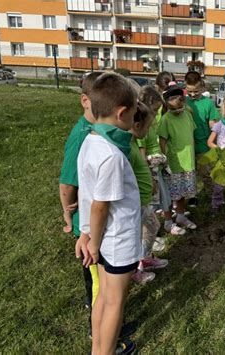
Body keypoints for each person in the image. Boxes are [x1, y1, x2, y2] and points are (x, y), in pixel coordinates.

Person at [77, 73, 140, 354]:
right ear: (122, 113)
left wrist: (86, 232)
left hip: (101, 237)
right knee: (115, 301)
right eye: (135, 112)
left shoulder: (91, 140)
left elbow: (86, 194)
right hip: (118, 240)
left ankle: (98, 350)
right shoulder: (112, 156)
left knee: (102, 295)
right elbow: (100, 204)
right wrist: (92, 240)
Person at [59, 71, 102, 332]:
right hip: (85, 224)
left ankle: (108, 322)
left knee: (101, 280)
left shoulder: (98, 129)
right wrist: (67, 213)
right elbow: (67, 182)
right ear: (85, 100)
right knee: (95, 282)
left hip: (96, 221)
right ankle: (98, 331)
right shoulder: (82, 135)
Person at [137, 86, 185, 240]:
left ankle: (166, 223)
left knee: (165, 197)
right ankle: (150, 235)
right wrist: (150, 177)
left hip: (158, 168)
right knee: (151, 205)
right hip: (150, 173)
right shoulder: (140, 128)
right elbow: (142, 156)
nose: (156, 114)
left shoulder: (150, 124)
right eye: (155, 110)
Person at [129, 101, 168, 284]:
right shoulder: (127, 147)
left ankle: (145, 258)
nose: (149, 130)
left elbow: (141, 165)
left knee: (152, 226)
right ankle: (135, 269)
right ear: (137, 125)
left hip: (143, 199)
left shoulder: (131, 142)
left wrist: (151, 179)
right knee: (136, 234)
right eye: (148, 126)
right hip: (134, 202)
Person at [158, 86, 197, 231]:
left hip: (188, 161)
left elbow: (190, 134)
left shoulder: (187, 115)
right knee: (170, 193)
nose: (178, 111)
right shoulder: (165, 119)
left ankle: (180, 215)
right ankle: (168, 220)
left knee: (182, 192)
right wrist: (164, 160)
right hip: (173, 163)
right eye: (174, 109)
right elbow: (162, 141)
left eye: (180, 107)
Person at [185, 71, 220, 206]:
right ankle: (191, 196)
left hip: (203, 145)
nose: (193, 95)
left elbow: (212, 123)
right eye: (190, 92)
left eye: (196, 91)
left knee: (206, 173)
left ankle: (213, 197)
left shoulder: (208, 103)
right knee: (189, 173)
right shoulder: (183, 102)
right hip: (186, 145)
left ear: (202, 87)